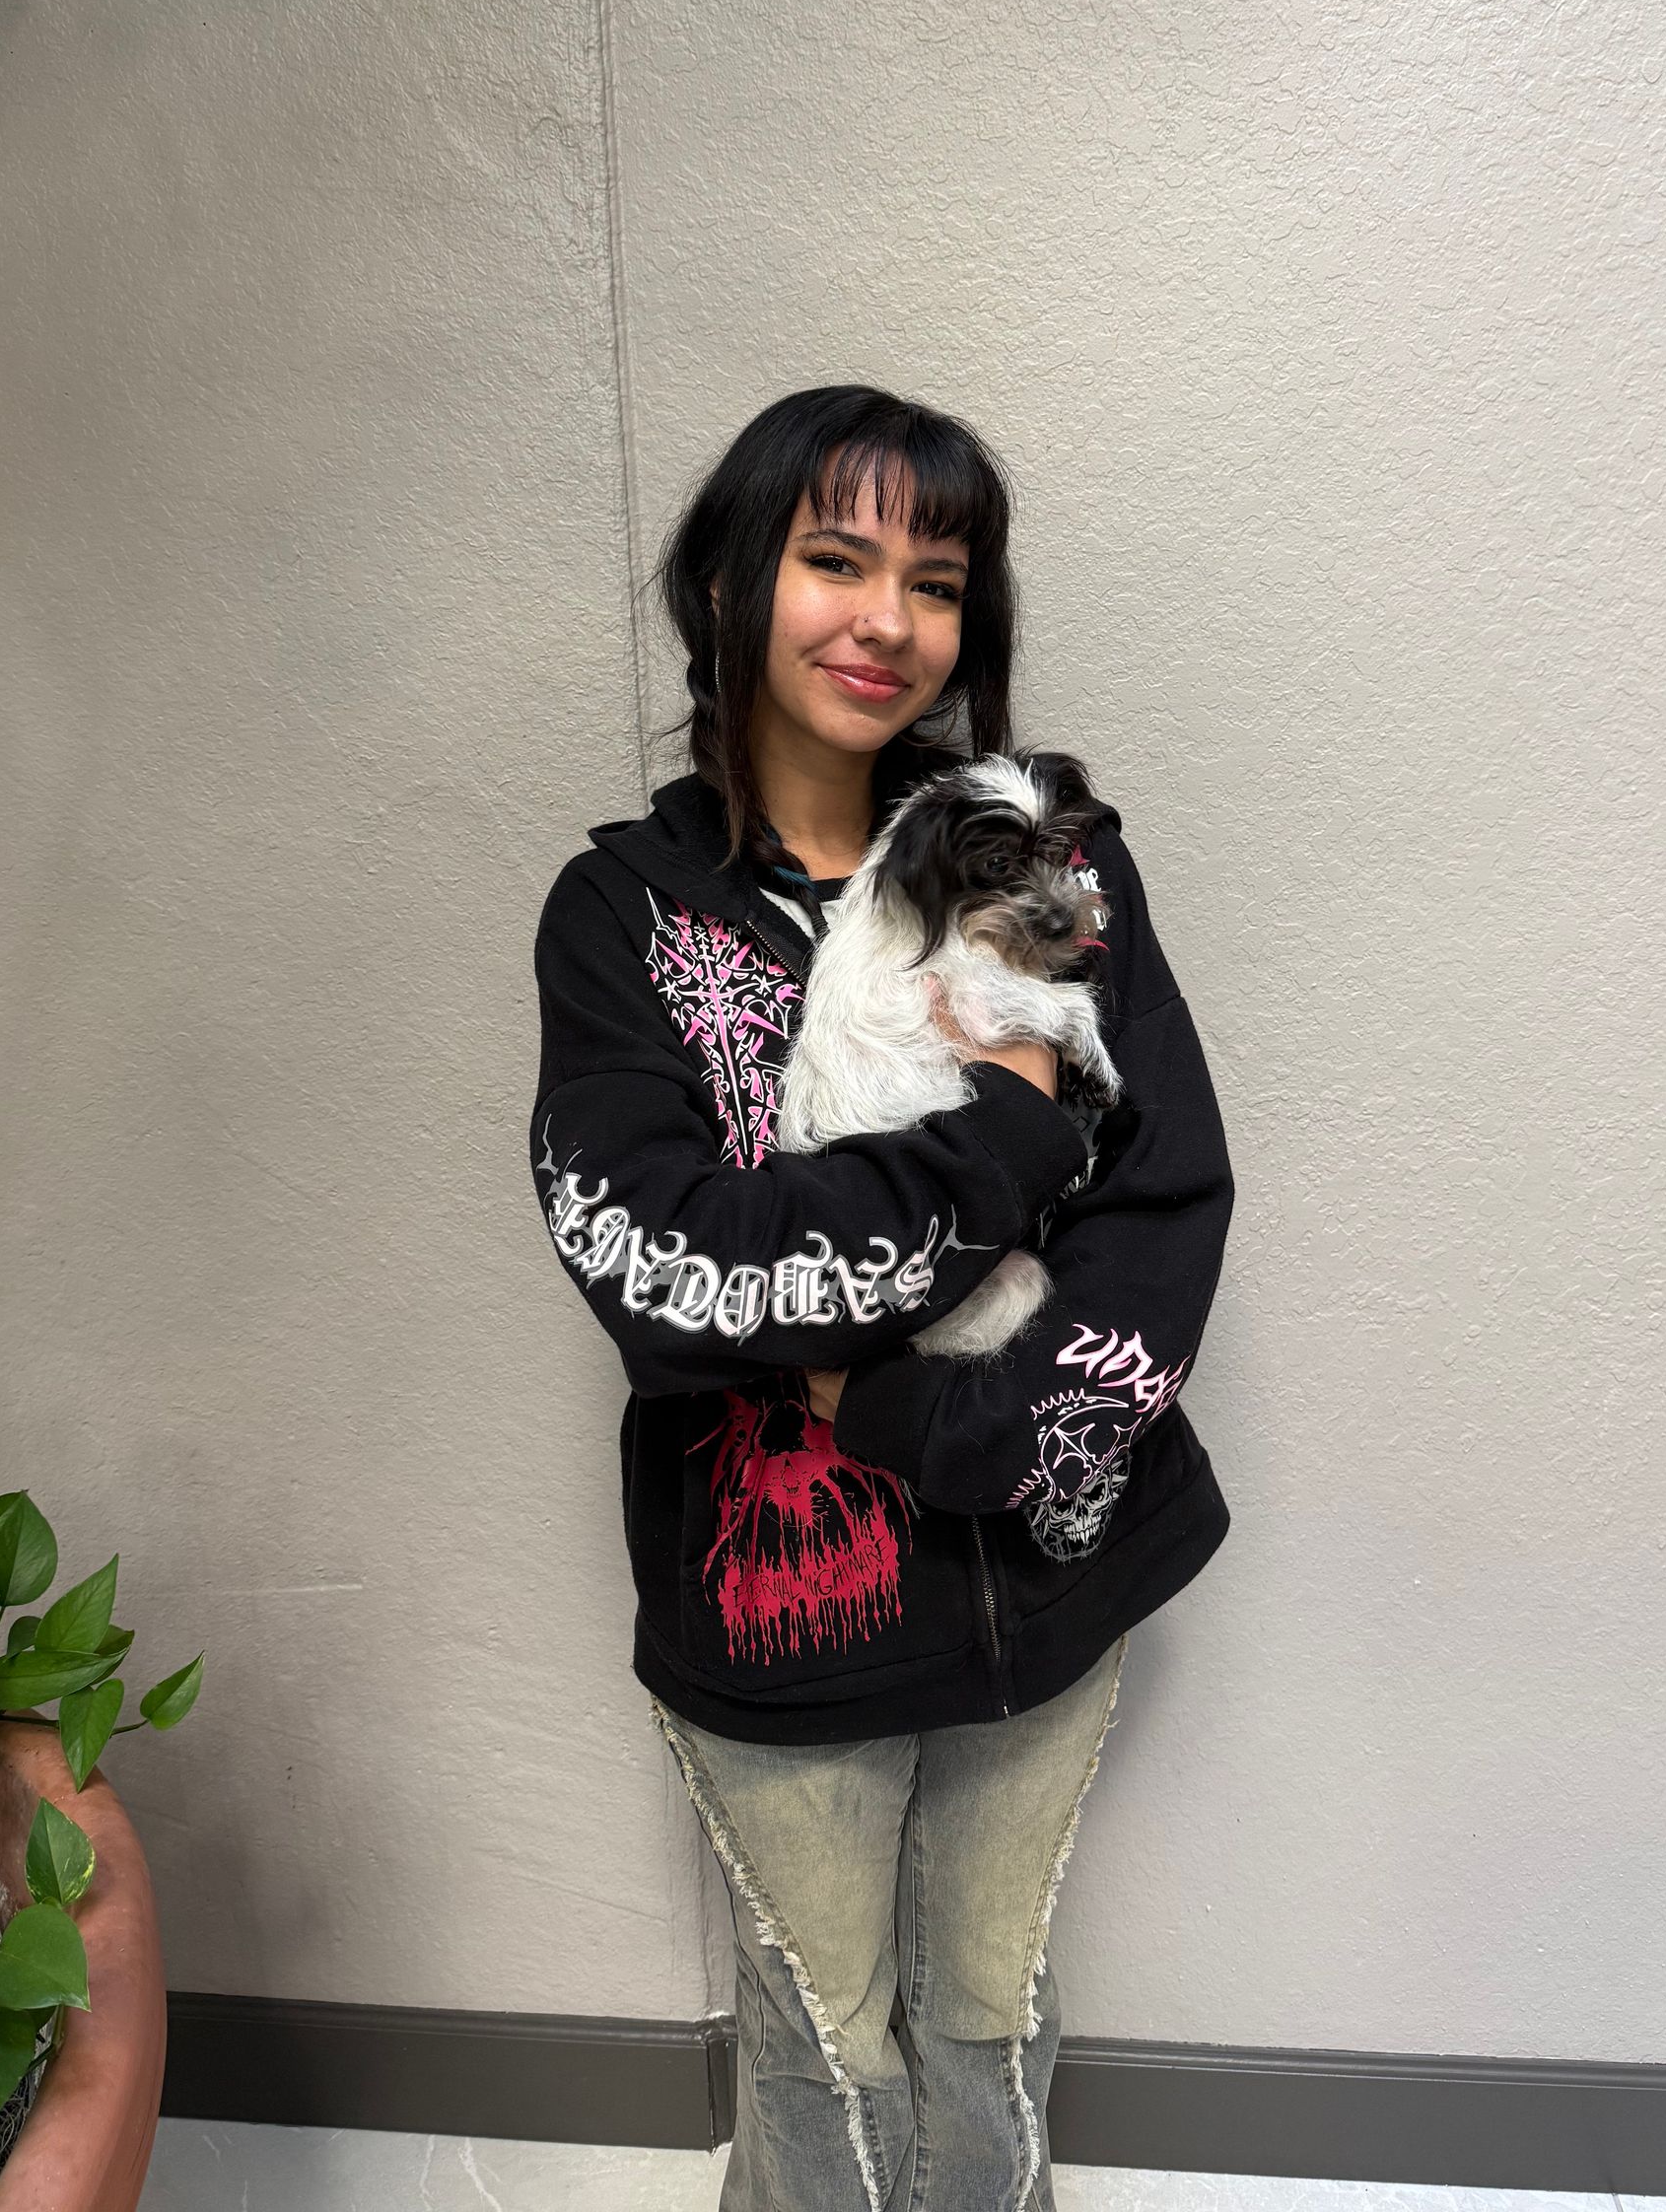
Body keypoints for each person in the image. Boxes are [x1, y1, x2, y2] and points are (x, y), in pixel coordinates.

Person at [527, 384, 1235, 2211]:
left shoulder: (1042, 849)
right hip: (779, 1612)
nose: (884, 619)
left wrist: (930, 1416)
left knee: (990, 2024)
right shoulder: (627, 914)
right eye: (834, 558)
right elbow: (677, 1273)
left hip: (1055, 1560)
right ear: (734, 580)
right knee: (822, 2040)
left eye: (934, 578)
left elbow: (1165, 1197)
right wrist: (1004, 1132)